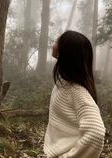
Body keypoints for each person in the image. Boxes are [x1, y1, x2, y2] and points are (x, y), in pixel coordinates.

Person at [44, 30, 106, 158]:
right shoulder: (64, 84)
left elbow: (96, 133)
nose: (54, 44)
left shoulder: (76, 92)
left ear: (66, 52)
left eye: (57, 41)